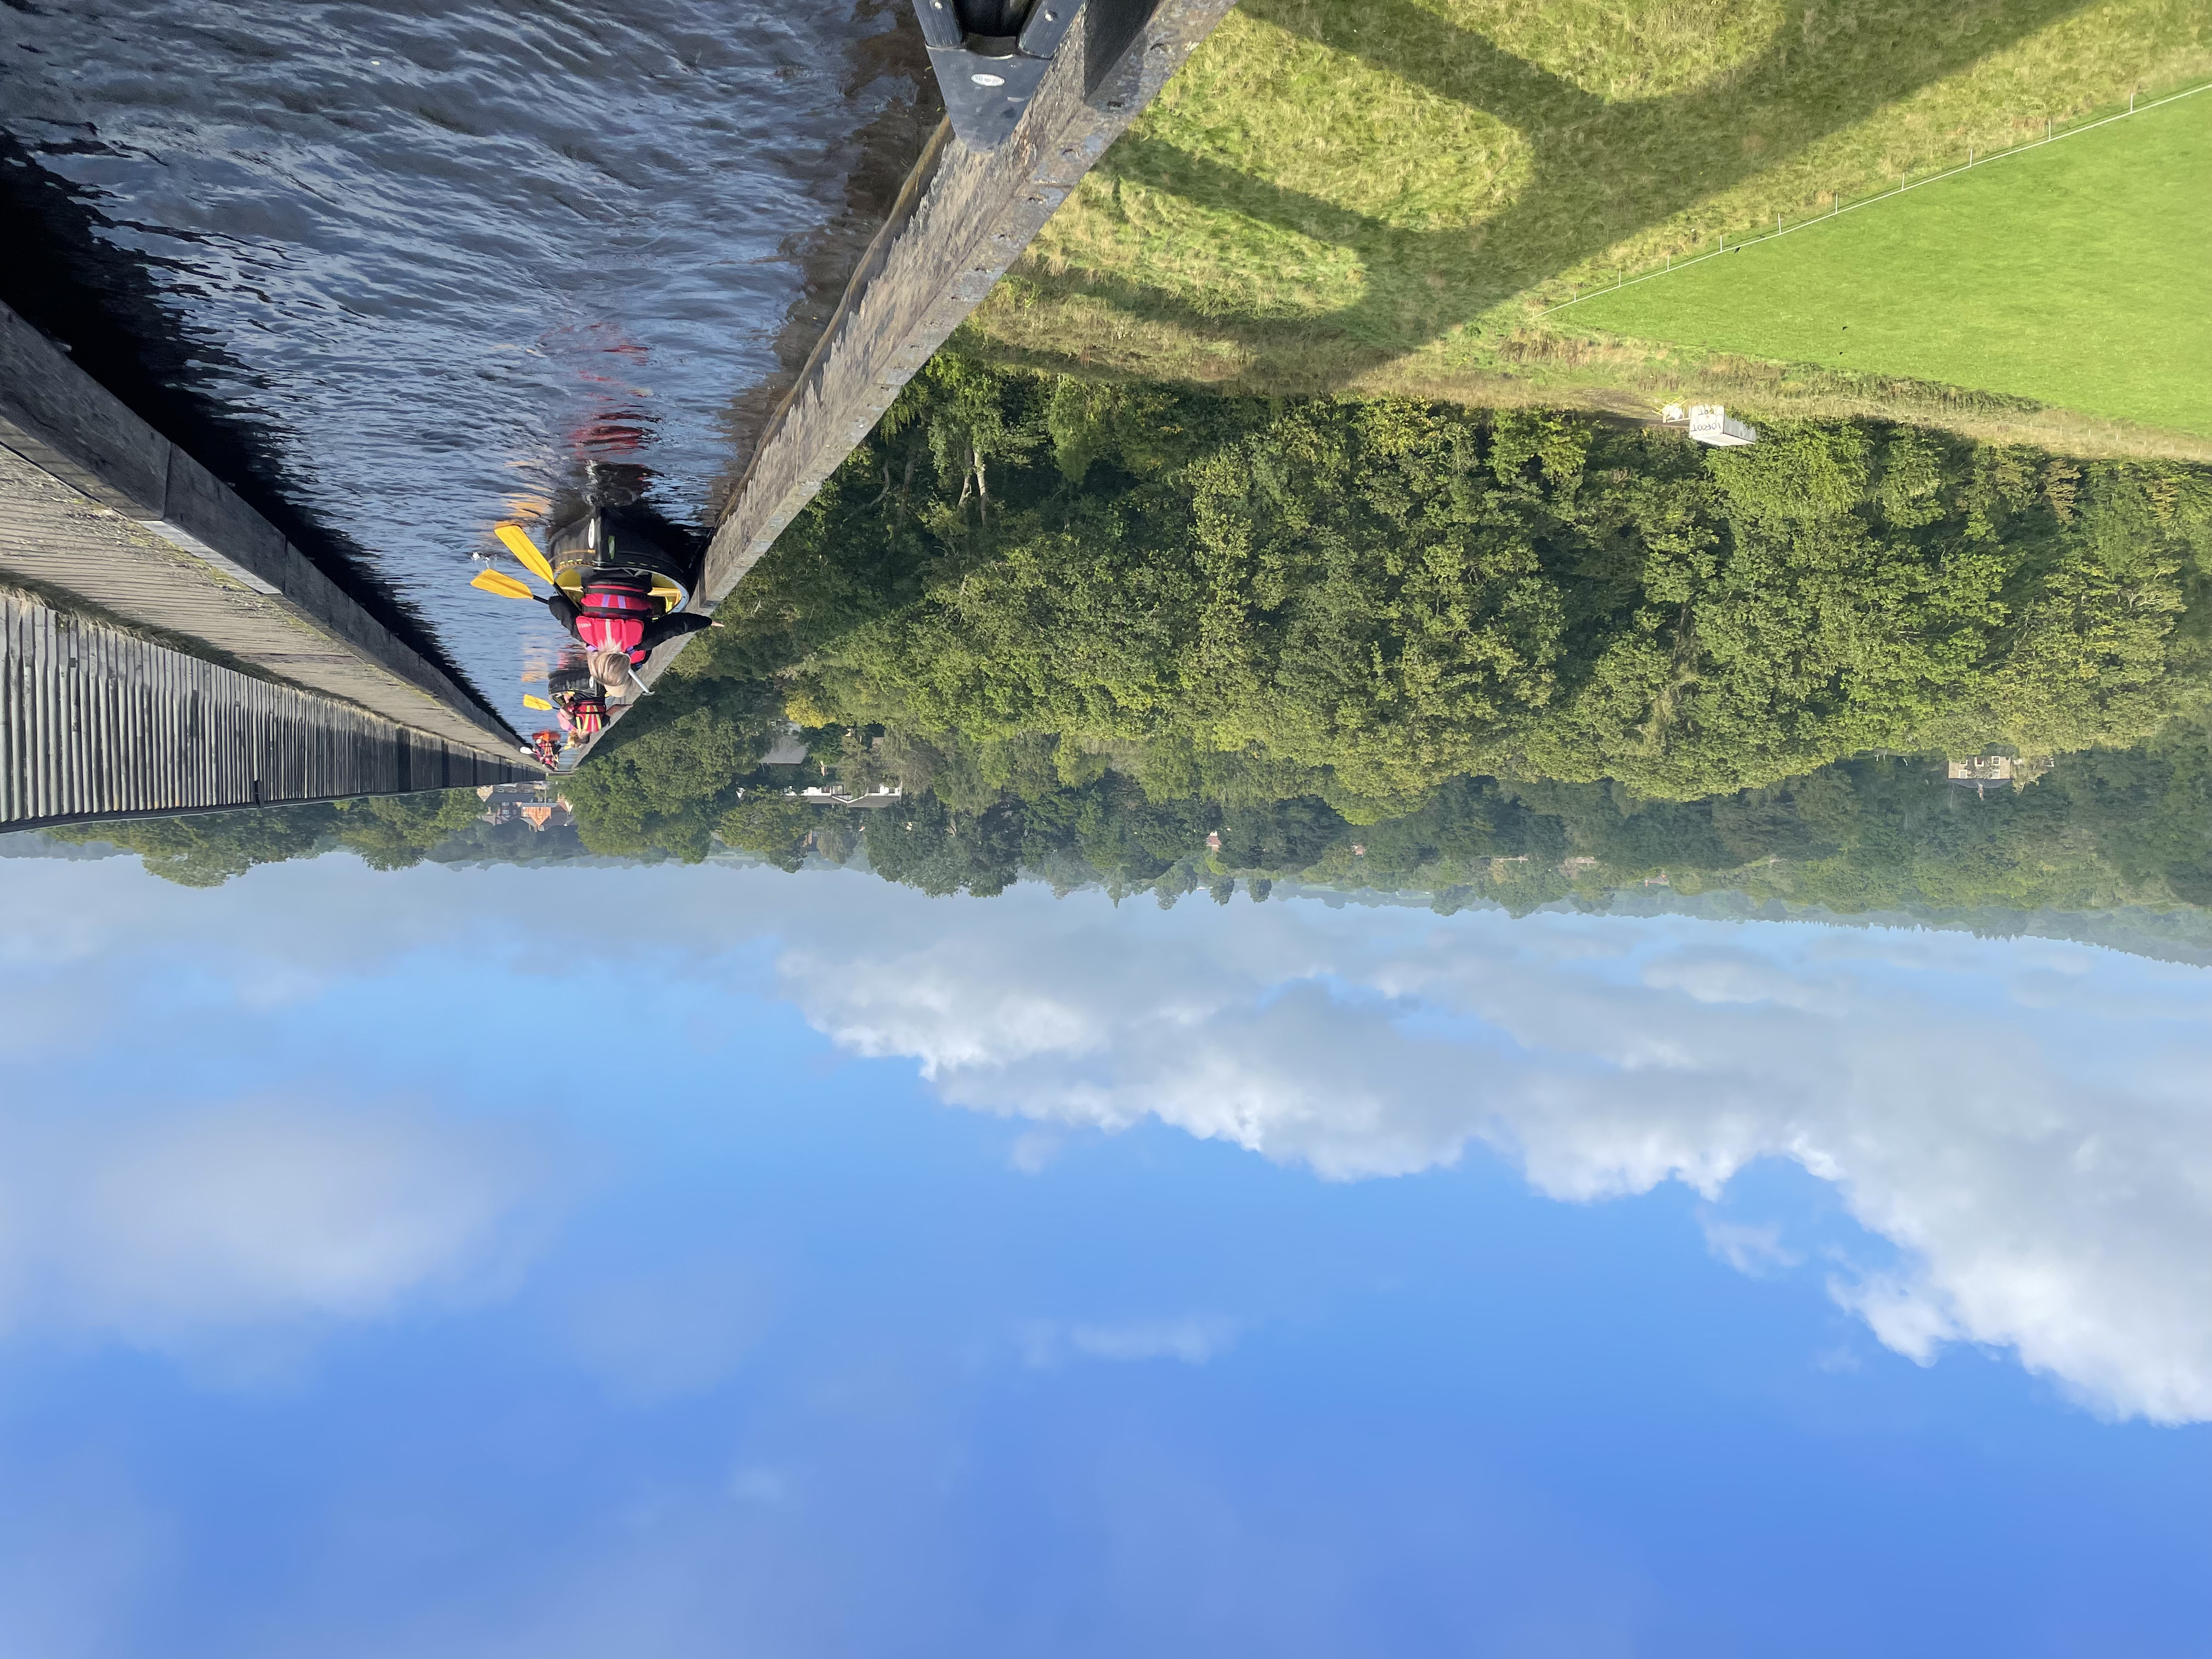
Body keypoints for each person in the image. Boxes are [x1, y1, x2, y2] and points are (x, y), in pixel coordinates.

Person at [542, 569, 715, 684]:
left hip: (638, 578)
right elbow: (555, 603)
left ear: (625, 664)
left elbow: (679, 625)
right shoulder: (581, 633)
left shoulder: (643, 642)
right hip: (593, 576)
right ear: (595, 662)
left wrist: (708, 622)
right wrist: (580, 610)